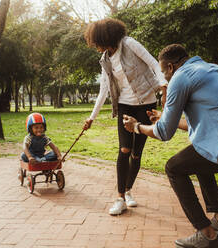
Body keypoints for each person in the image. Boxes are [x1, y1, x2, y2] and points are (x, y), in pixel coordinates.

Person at [123, 44, 218, 248]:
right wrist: (164, 117)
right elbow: (212, 115)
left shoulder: (180, 77)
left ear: (170, 67)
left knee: (174, 168)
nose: (164, 78)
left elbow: (164, 133)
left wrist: (137, 127)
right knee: (200, 157)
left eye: (163, 72)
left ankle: (207, 234)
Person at [82, 18, 167, 215]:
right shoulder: (105, 59)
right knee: (124, 149)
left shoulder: (130, 44)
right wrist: (92, 117)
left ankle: (129, 191)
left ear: (106, 37)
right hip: (125, 106)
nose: (96, 47)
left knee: (137, 153)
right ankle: (120, 197)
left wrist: (164, 86)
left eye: (97, 42)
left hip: (146, 104)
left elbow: (154, 64)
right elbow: (104, 89)